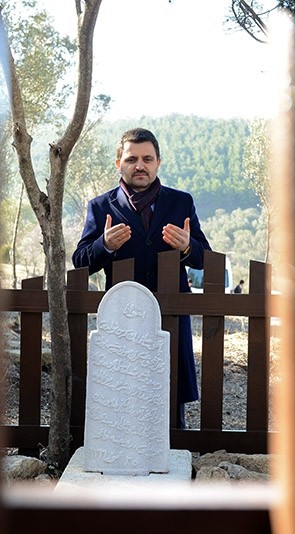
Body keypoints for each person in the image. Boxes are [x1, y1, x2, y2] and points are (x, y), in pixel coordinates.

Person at [72, 127, 211, 429]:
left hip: (171, 316)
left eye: (147, 159)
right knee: (122, 397)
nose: (140, 166)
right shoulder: (100, 206)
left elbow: (206, 258)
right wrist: (105, 245)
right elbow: (80, 261)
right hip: (123, 318)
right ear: (118, 163)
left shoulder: (181, 202)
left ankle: (174, 446)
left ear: (158, 162)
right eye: (131, 159)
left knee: (171, 396)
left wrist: (188, 246)